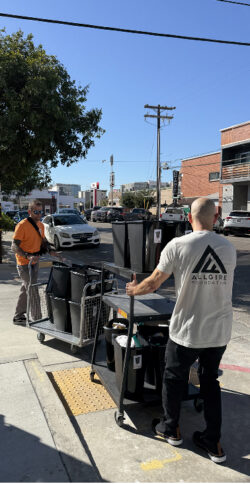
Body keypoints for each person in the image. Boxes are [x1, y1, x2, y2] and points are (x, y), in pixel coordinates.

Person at [126, 198, 236, 464]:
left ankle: (171, 428)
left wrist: (132, 290)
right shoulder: (229, 248)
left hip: (187, 330)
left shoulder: (178, 245)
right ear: (216, 217)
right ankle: (213, 442)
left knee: (174, 378)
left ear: (189, 217)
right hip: (219, 331)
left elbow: (152, 284)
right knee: (210, 382)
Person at [12, 199, 60, 325]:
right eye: (36, 212)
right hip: (24, 263)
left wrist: (51, 251)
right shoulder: (22, 225)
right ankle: (38, 320)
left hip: (35, 262)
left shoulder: (40, 225)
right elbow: (14, 246)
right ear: (29, 211)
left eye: (41, 212)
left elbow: (43, 242)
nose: (39, 214)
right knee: (32, 289)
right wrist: (27, 256)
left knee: (26, 288)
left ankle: (18, 316)